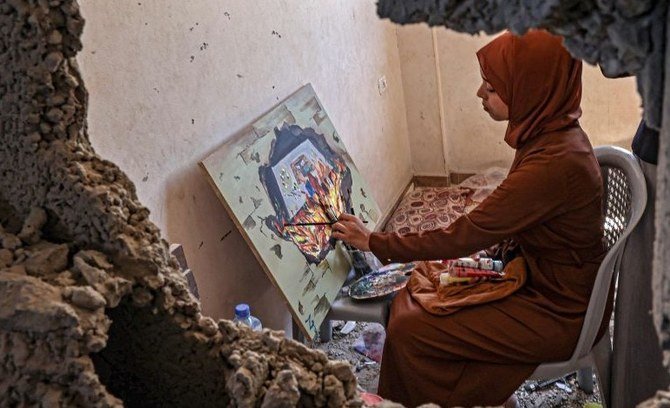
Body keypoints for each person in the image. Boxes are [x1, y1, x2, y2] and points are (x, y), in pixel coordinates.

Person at [333, 30, 607, 407]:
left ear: (531, 89)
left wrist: (375, 242)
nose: (480, 93)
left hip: (558, 308)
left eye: (492, 87)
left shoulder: (556, 163)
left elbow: (468, 232)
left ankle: (453, 397)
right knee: (419, 291)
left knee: (411, 327)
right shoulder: (551, 135)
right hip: (541, 280)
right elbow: (497, 227)